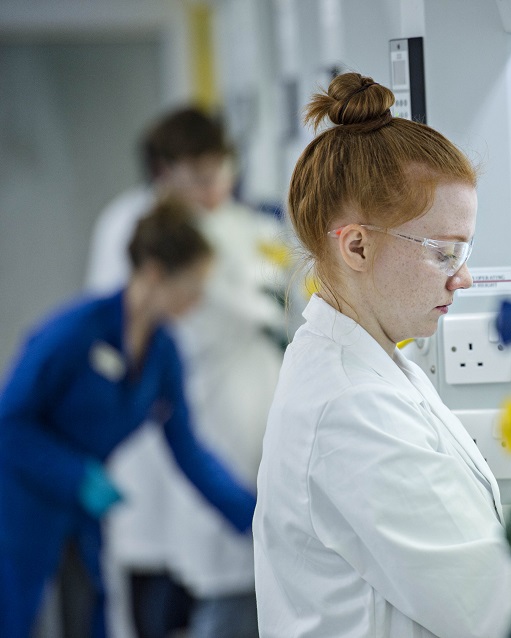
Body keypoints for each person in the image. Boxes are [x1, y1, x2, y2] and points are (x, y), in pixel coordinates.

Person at [253, 72, 511, 637]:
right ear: (357, 246)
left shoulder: (371, 366)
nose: (463, 278)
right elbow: (494, 608)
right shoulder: (350, 406)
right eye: (444, 253)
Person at [0, 200, 257, 638]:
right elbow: (9, 424)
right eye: (192, 285)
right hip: (25, 499)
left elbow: (189, 452)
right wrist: (76, 475)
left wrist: (257, 515)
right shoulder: (73, 332)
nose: (198, 299)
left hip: (82, 510)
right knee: (22, 616)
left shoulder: (163, 353)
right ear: (155, 274)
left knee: (87, 615)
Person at [87, 106, 285, 637]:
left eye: (220, 172)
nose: (213, 188)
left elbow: (189, 450)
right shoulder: (135, 235)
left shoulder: (235, 223)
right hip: (137, 447)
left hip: (210, 424)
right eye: (198, 176)